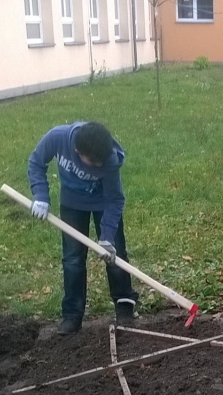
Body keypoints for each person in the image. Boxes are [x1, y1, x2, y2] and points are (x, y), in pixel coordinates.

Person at [25, 121, 138, 334]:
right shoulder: (57, 138)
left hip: (103, 204)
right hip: (72, 205)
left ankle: (124, 309)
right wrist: (40, 196)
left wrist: (107, 237)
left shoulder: (109, 159)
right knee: (73, 259)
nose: (98, 166)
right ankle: (72, 315)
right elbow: (36, 163)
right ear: (77, 150)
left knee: (116, 255)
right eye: (93, 161)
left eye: (100, 162)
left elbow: (114, 199)